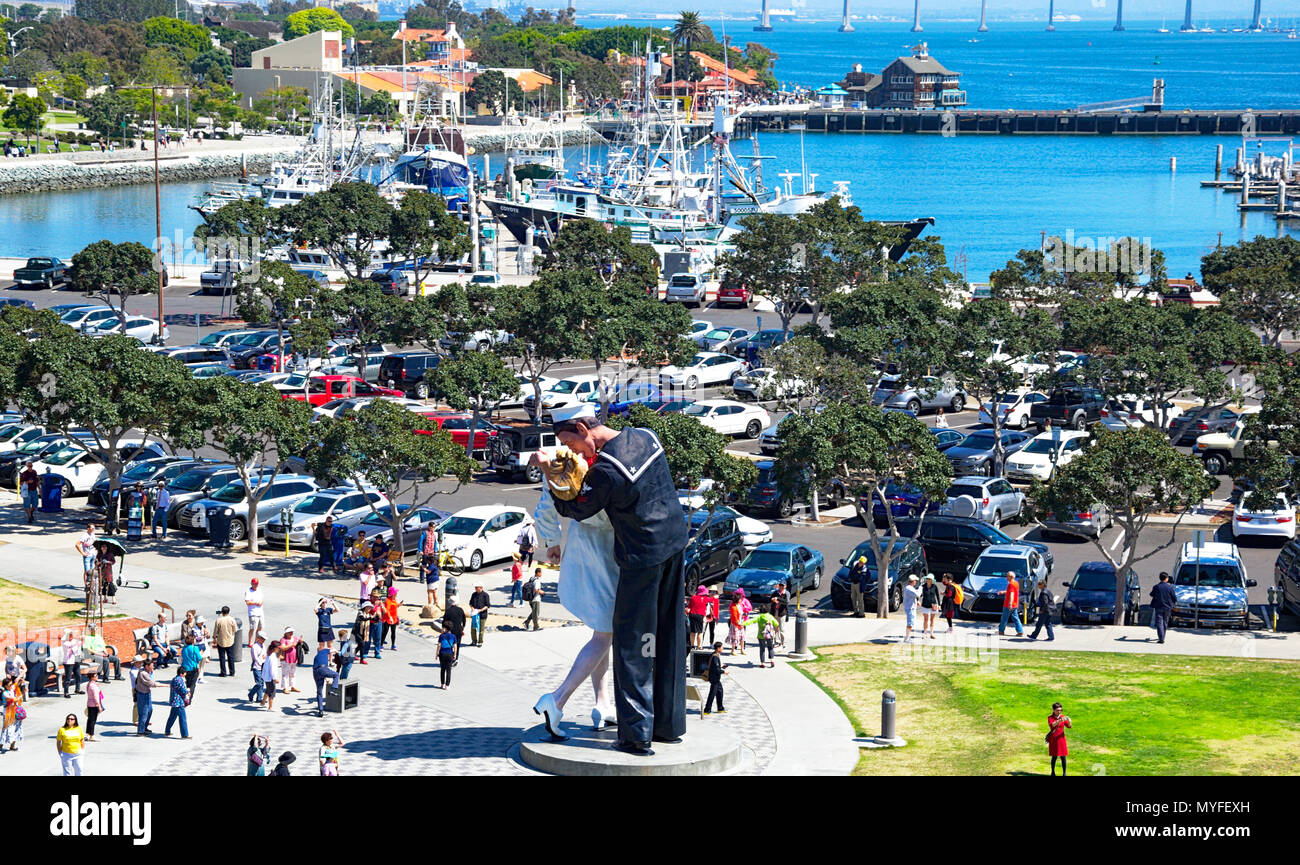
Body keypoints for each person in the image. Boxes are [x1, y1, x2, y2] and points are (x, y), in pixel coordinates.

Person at [541, 403, 689, 755]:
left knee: (636, 645)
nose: (573, 453)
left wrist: (552, 475)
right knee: (665, 635)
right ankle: (667, 725)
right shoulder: (646, 437)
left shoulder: (607, 471)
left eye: (572, 444)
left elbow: (576, 509)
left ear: (582, 427)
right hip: (675, 545)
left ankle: (637, 734)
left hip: (643, 560)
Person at [134, 659, 162, 736]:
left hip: (147, 693)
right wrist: (167, 685)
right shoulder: (143, 673)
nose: (153, 666)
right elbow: (152, 684)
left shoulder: (146, 671)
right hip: (142, 695)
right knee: (144, 713)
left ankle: (144, 727)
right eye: (152, 665)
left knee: (149, 710)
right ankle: (140, 731)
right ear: (147, 666)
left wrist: (151, 672)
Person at [1150, 571, 1177, 644]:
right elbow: (1174, 597)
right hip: (1168, 607)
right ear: (1166, 578)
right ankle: (1162, 636)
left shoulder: (1156, 587)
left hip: (1158, 607)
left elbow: (1151, 594)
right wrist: (1172, 604)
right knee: (1165, 622)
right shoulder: (1170, 587)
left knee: (1159, 623)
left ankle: (1161, 638)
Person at [312, 646, 339, 717]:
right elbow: (333, 649)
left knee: (319, 692)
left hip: (315, 673)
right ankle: (333, 689)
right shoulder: (324, 651)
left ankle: (320, 711)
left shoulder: (316, 657)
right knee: (336, 675)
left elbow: (317, 669)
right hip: (323, 669)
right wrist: (338, 652)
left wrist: (326, 679)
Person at [164, 669, 191, 738]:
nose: (185, 675)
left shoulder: (175, 679)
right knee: (183, 718)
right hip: (179, 702)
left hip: (174, 702)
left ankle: (167, 731)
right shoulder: (180, 680)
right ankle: (185, 734)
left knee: (172, 717)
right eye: (185, 673)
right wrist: (187, 691)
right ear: (181, 674)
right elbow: (182, 690)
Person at [703, 642, 727, 715]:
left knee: (719, 691)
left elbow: (714, 666)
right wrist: (724, 671)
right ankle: (707, 710)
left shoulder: (714, 654)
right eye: (722, 647)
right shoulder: (715, 657)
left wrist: (721, 665)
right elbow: (716, 669)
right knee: (712, 693)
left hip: (714, 678)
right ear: (718, 648)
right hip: (714, 678)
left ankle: (720, 708)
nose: (723, 648)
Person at [998, 570, 1025, 637]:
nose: (1006, 577)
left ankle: (1001, 631)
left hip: (1008, 605)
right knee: (1016, 618)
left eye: (1007, 576)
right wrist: (1003, 592)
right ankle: (1020, 631)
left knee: (1004, 618)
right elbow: (1011, 592)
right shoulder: (1016, 583)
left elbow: (1011, 594)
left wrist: (1010, 604)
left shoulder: (1011, 584)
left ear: (1011, 577)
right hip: (1015, 604)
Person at [1047, 702, 1071, 776]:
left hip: (1061, 739)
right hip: (1054, 739)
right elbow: (1052, 725)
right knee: (1054, 756)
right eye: (1057, 710)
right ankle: (1053, 772)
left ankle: (1064, 773)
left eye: (1061, 710)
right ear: (1053, 710)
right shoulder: (1050, 717)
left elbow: (1069, 726)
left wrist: (1069, 721)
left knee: (1063, 756)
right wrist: (1060, 720)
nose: (1059, 712)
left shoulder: (1062, 716)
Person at [1, 675, 24, 751]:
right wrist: (20, 696)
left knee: (16, 728)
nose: (11, 686)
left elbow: (16, 684)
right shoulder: (5, 693)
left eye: (11, 684)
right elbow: (14, 700)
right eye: (9, 685)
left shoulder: (11, 689)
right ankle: (1, 745)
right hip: (8, 713)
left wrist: (20, 680)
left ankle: (12, 746)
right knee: (6, 728)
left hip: (15, 711)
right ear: (5, 686)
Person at [420, 523, 440, 609]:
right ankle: (421, 578)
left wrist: (435, 550)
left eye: (434, 527)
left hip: (432, 553)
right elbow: (421, 541)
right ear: (429, 527)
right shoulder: (425, 533)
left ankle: (432, 604)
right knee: (424, 564)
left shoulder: (434, 534)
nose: (433, 528)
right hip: (426, 552)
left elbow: (435, 543)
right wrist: (420, 550)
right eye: (432, 527)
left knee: (429, 566)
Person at [213, 606, 237, 676]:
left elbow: (215, 631)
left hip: (221, 641)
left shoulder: (219, 620)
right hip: (230, 641)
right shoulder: (232, 619)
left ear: (222, 612)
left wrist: (214, 637)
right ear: (228, 612)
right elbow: (235, 630)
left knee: (222, 658)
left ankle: (223, 672)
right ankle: (232, 672)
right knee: (231, 657)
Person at [442, 595, 466, 663]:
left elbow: (444, 621)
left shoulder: (448, 611)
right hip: (459, 630)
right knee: (457, 645)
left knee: (450, 645)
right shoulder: (460, 610)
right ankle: (455, 658)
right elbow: (464, 621)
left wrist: (444, 629)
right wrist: (462, 628)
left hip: (450, 631)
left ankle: (450, 657)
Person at [60, 629, 84, 698]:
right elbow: (73, 648)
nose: (71, 636)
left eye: (71, 634)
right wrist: (78, 641)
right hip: (68, 662)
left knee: (78, 675)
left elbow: (81, 644)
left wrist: (82, 639)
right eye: (70, 635)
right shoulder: (65, 642)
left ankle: (77, 689)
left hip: (76, 660)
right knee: (68, 678)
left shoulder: (74, 641)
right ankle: (66, 692)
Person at [84, 671, 105, 741]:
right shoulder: (92, 686)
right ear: (92, 677)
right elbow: (96, 697)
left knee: (90, 720)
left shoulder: (90, 684)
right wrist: (99, 706)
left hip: (90, 703)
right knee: (93, 720)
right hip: (94, 705)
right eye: (95, 676)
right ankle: (92, 736)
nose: (97, 677)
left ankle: (88, 734)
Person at [687, 585, 709, 649]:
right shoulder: (705, 599)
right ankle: (699, 646)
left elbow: (689, 607)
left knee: (693, 631)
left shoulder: (693, 597)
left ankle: (692, 645)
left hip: (692, 614)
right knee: (700, 632)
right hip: (700, 615)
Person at [902, 574, 923, 642]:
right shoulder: (909, 588)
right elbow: (917, 594)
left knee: (911, 623)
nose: (916, 582)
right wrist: (920, 587)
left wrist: (916, 601)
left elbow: (913, 596)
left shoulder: (910, 588)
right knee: (910, 623)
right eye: (915, 581)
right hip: (910, 608)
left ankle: (908, 636)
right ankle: (907, 638)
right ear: (913, 581)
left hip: (911, 607)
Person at [247, 633, 267, 704]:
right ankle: (251, 694)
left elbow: (265, 654)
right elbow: (255, 657)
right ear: (258, 638)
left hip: (263, 666)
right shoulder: (254, 647)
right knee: (258, 683)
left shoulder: (263, 646)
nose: (263, 640)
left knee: (262, 683)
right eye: (262, 638)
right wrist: (261, 663)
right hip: (257, 667)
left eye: (264, 639)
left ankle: (259, 698)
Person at [920, 573, 941, 639]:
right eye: (927, 579)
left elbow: (937, 595)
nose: (928, 580)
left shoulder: (934, 586)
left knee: (932, 619)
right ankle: (925, 633)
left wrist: (939, 605)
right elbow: (919, 594)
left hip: (933, 605)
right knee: (925, 619)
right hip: (925, 605)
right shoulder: (923, 586)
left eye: (929, 579)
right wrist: (917, 600)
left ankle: (931, 633)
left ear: (932, 580)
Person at [260, 640, 279, 711]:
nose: (279, 649)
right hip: (270, 677)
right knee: (272, 693)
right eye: (278, 648)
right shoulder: (273, 657)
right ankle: (270, 707)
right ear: (275, 648)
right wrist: (275, 678)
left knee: (268, 690)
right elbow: (272, 669)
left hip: (266, 676)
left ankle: (263, 702)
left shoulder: (269, 654)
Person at [279, 628, 299, 692]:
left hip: (294, 658)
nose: (291, 633)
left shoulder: (295, 638)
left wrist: (300, 641)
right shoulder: (283, 639)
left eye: (292, 632)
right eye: (289, 632)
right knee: (285, 674)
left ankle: (292, 686)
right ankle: (285, 688)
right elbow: (283, 648)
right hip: (285, 659)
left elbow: (297, 643)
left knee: (293, 673)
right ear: (286, 633)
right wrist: (291, 645)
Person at [244, 578, 264, 643]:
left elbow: (262, 599)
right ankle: (250, 642)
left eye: (257, 584)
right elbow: (247, 602)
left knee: (260, 627)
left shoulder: (259, 590)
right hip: (253, 613)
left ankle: (256, 641)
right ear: (251, 583)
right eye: (254, 584)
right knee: (252, 628)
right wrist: (255, 603)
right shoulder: (248, 591)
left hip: (260, 612)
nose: (255, 585)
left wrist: (261, 602)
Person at [437, 624, 457, 689]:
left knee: (442, 669)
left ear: (445, 628)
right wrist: (455, 654)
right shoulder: (453, 636)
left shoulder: (441, 636)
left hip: (442, 653)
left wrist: (437, 653)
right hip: (450, 653)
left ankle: (442, 684)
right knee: (448, 670)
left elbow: (439, 645)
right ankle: (447, 686)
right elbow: (455, 646)